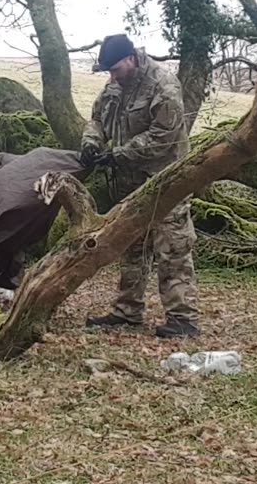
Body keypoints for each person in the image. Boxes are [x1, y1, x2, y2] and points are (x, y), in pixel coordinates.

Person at [80, 33, 200, 338]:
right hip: (129, 182)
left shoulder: (163, 85)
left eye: (115, 69)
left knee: (172, 246)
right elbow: (97, 118)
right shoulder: (115, 84)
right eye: (108, 71)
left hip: (166, 179)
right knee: (131, 246)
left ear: (131, 59)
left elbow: (163, 137)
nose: (112, 77)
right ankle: (127, 311)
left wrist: (118, 153)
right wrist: (91, 142)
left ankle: (182, 318)